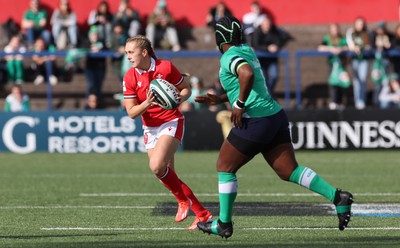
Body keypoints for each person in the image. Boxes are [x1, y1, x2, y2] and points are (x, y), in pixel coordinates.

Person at [195, 16, 353, 238]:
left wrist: (238, 104)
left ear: (220, 37)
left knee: (224, 166)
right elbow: (250, 82)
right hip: (274, 117)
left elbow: (247, 75)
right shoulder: (247, 50)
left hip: (255, 120)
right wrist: (221, 98)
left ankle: (224, 224)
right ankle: (338, 198)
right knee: (288, 171)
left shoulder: (229, 55)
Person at [122, 35, 213, 230]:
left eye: (131, 52)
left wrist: (177, 99)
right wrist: (147, 103)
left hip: (171, 121)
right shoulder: (129, 76)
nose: (128, 56)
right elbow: (131, 113)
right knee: (166, 173)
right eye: (126, 52)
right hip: (150, 126)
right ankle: (203, 215)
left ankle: (183, 201)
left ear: (144, 52)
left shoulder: (166, 67)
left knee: (156, 166)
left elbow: (186, 90)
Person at [252, 15, 292, 97]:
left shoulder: (274, 30)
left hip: (272, 59)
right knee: (264, 78)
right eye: (266, 24)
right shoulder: (257, 32)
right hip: (261, 60)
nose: (267, 26)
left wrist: (276, 47)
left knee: (274, 76)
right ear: (262, 24)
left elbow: (279, 41)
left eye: (269, 24)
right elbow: (256, 45)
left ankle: (269, 94)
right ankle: (269, 95)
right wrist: (267, 48)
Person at [318, 23, 349, 110]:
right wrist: (331, 49)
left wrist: (341, 49)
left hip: (341, 65)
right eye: (333, 29)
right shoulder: (327, 39)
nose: (335, 30)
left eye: (336, 29)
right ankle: (334, 101)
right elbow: (320, 47)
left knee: (342, 82)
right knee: (333, 82)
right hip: (332, 64)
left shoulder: (342, 39)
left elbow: (348, 47)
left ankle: (340, 101)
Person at [346, 17, 373, 109]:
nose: (360, 26)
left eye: (361, 24)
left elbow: (369, 45)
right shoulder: (351, 32)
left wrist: (365, 47)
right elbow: (350, 44)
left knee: (363, 79)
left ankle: (362, 100)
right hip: (355, 59)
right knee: (357, 80)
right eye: (358, 23)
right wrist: (354, 48)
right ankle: (358, 101)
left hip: (364, 59)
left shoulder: (367, 32)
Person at [85, 26, 107, 102]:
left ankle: (98, 103)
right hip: (90, 68)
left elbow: (106, 47)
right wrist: (90, 49)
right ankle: (90, 103)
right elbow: (82, 48)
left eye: (96, 34)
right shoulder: (87, 42)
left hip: (100, 67)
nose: (95, 36)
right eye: (93, 34)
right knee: (91, 85)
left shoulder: (102, 42)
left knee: (98, 86)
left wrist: (99, 48)